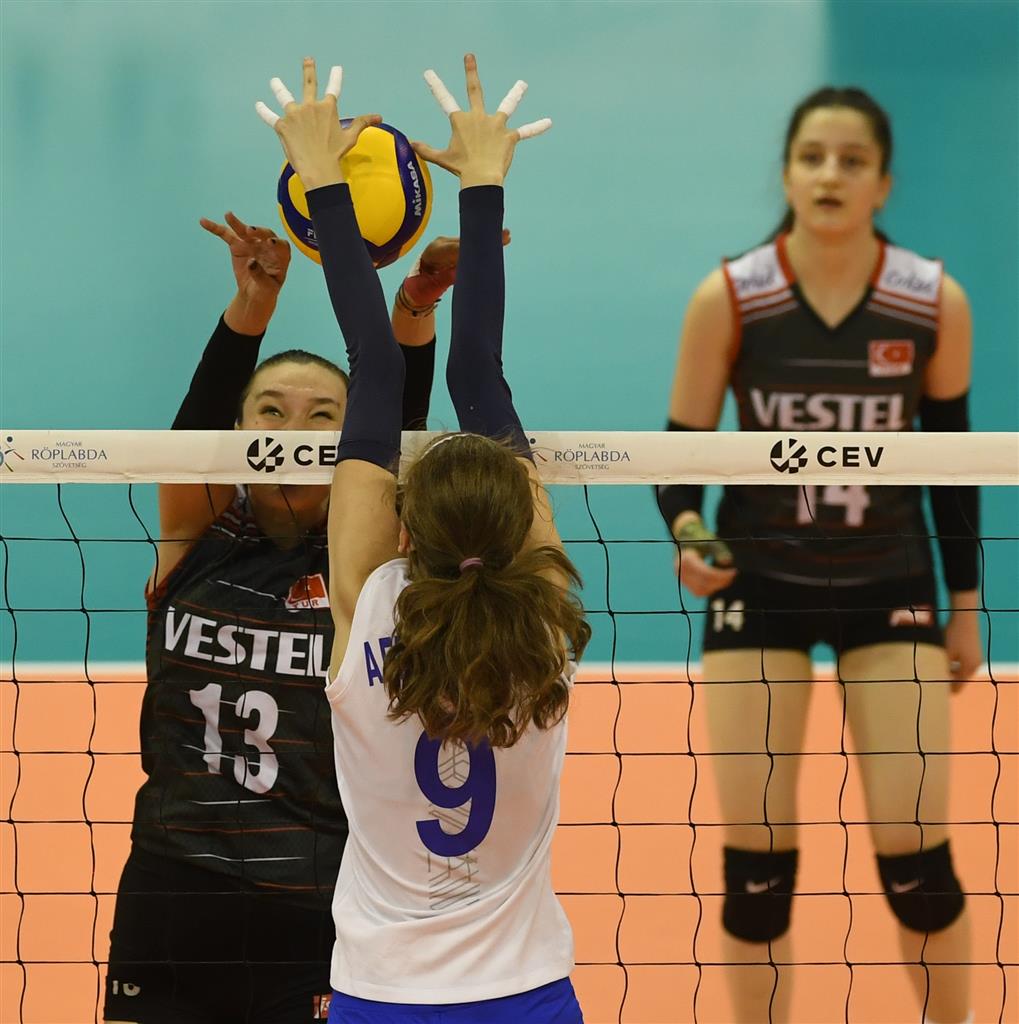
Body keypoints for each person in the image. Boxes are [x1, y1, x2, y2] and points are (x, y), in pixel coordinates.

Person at [257, 54, 588, 1023]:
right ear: (522, 527)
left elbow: (378, 365)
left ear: (404, 527)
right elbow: (469, 374)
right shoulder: (543, 628)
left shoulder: (368, 608)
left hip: (383, 997)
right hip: (527, 996)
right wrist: (476, 181)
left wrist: (327, 182)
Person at [104, 198, 474, 1022]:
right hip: (171, 886)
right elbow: (191, 436)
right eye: (270, 410)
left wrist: (413, 309)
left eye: (323, 417)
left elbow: (397, 429)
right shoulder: (196, 539)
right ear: (238, 429)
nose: (293, 432)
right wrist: (253, 304)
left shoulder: (362, 566)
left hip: (316, 894)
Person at [657, 87, 980, 1024]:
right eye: (811, 157)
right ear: (787, 173)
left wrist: (966, 607)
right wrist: (690, 536)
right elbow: (675, 459)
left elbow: (955, 472)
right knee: (755, 872)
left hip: (891, 584)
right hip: (759, 586)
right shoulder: (731, 296)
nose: (829, 175)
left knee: (917, 865)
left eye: (851, 160)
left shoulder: (930, 300)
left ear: (883, 183)